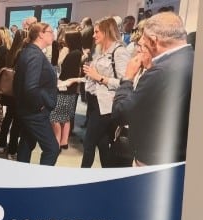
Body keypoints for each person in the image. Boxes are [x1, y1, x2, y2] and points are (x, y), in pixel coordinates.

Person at [111, 12, 194, 165]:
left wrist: (128, 78)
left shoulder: (160, 72)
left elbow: (121, 113)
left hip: (153, 160)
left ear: (154, 40)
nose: (140, 45)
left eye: (143, 40)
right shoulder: (192, 58)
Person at [80, 16, 132, 167]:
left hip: (106, 106)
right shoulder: (100, 50)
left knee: (89, 143)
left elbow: (126, 82)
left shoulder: (119, 51)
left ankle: (82, 180)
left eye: (97, 32)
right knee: (102, 144)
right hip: (94, 101)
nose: (93, 35)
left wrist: (99, 77)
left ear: (107, 32)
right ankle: (107, 175)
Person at [14, 22, 61, 165]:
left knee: (27, 143)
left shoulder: (29, 51)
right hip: (34, 112)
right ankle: (41, 182)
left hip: (27, 109)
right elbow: (30, 87)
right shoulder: (35, 55)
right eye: (50, 32)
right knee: (52, 149)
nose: (53, 34)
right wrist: (40, 106)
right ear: (41, 34)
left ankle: (22, 178)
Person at [51, 25, 85, 151]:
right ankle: (64, 141)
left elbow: (66, 73)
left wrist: (59, 81)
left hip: (65, 87)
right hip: (70, 89)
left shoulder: (73, 54)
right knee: (65, 117)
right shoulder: (77, 53)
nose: (64, 39)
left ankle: (57, 141)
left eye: (66, 37)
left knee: (55, 116)